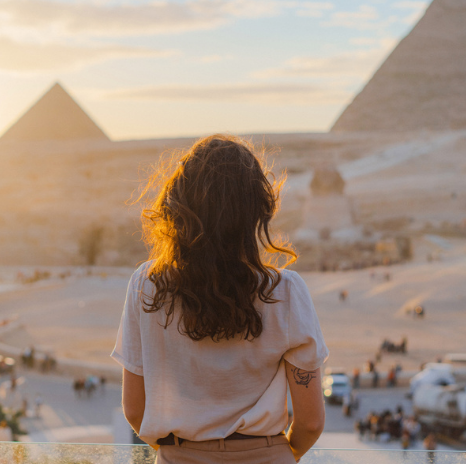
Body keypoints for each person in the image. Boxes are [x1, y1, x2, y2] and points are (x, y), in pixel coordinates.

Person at [112, 135, 328, 464]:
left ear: (179, 203)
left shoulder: (147, 285)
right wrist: (278, 454)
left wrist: (182, 451)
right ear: (258, 208)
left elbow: (135, 410)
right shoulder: (286, 292)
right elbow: (310, 422)